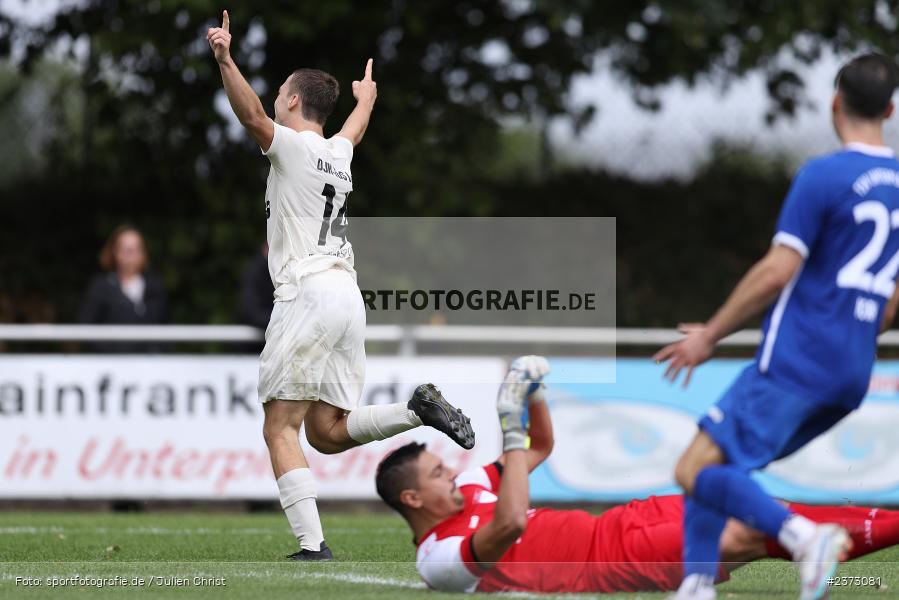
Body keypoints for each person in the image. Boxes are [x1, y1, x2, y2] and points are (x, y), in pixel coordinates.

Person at [207, 11, 475, 561]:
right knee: (326, 433)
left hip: (306, 293)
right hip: (347, 297)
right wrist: (367, 98)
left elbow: (250, 115)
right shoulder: (338, 154)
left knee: (280, 427)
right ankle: (416, 411)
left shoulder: (293, 147)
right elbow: (352, 129)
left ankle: (312, 547)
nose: (276, 99)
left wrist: (226, 60)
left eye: (282, 92)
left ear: (292, 102)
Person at [653, 53, 899, 600]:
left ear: (834, 101)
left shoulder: (825, 174)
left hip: (798, 360)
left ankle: (806, 538)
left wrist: (709, 335)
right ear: (889, 108)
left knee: (693, 468)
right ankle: (695, 584)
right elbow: (887, 307)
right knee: (719, 459)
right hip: (852, 371)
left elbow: (776, 271)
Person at [376, 356, 899, 594]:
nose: (453, 473)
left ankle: (833, 538)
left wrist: (533, 397)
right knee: (751, 533)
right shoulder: (439, 561)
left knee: (764, 515)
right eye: (437, 473)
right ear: (413, 498)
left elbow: (542, 448)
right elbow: (512, 521)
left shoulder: (470, 490)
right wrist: (509, 424)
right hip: (613, 563)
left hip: (625, 522)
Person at [78, 225, 168, 352]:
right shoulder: (101, 287)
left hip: (149, 365)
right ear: (115, 252)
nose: (133, 255)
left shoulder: (155, 286)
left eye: (137, 249)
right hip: (112, 365)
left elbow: (164, 327)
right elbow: (86, 329)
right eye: (127, 250)